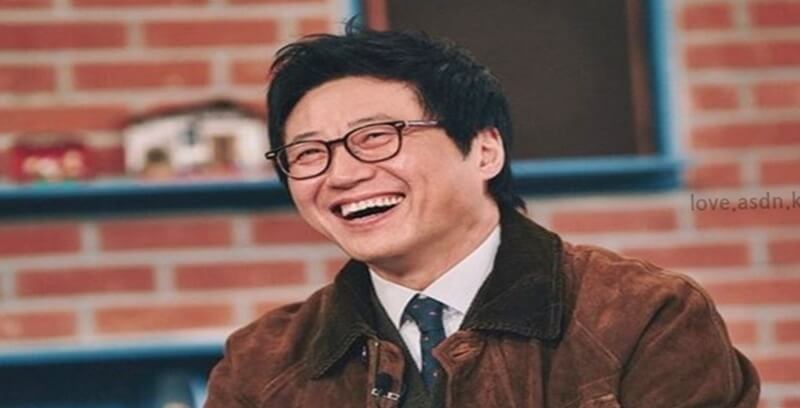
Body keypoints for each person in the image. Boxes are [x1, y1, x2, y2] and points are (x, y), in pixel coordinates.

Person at [205, 25, 760, 408]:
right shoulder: (259, 362)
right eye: (307, 153)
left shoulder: (646, 316)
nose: (342, 174)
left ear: (484, 150)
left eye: (375, 137)